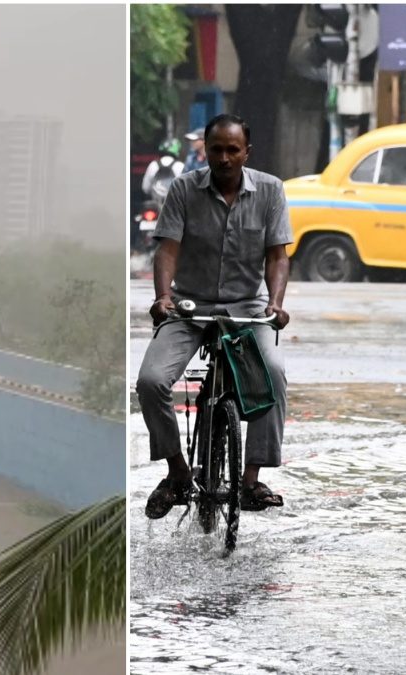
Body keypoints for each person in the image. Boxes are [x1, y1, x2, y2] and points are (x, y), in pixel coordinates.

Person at [137, 113, 293, 519]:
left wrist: (275, 303)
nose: (224, 158)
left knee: (272, 376)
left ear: (246, 153)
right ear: (205, 151)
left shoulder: (271, 191)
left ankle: (251, 480)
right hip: (189, 307)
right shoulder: (184, 189)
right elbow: (167, 248)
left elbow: (278, 256)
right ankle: (176, 473)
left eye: (232, 150)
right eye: (216, 150)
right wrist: (162, 297)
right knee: (151, 380)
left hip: (247, 309)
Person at [141, 138, 185, 204]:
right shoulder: (181, 166)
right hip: (174, 204)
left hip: (155, 203)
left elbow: (145, 187)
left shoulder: (153, 165)